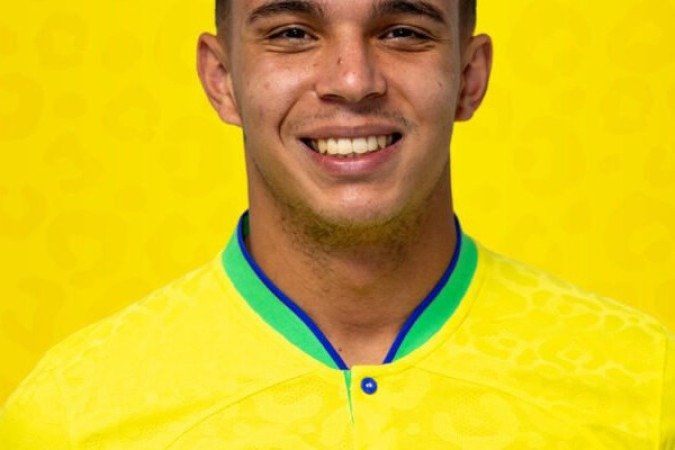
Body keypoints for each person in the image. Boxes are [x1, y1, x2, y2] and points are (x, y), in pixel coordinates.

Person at [1, 0, 673, 447]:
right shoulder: (70, 415)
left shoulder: (649, 386)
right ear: (222, 78)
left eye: (402, 31)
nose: (353, 81)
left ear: (469, 77)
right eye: (292, 33)